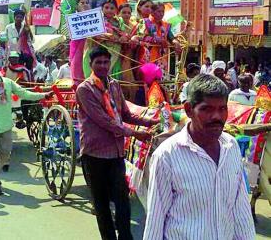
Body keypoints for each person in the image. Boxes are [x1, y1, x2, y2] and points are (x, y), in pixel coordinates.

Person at [143, 74, 255, 240]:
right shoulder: (167, 156)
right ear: (188, 109)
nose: (217, 116)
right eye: (207, 109)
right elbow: (155, 220)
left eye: (222, 109)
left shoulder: (231, 147)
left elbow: (241, 210)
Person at [76, 46, 158, 240]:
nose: (103, 66)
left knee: (123, 199)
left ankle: (125, 236)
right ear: (91, 64)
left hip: (116, 152)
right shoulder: (85, 89)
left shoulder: (114, 85)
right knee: (101, 202)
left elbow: (126, 114)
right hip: (95, 153)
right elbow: (104, 120)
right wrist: (134, 133)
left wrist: (150, 121)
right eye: (99, 62)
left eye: (106, 62)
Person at [0, 59, 53, 195]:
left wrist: (43, 95)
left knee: (5, 154)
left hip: (5, 125)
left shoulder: (8, 83)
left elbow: (24, 94)